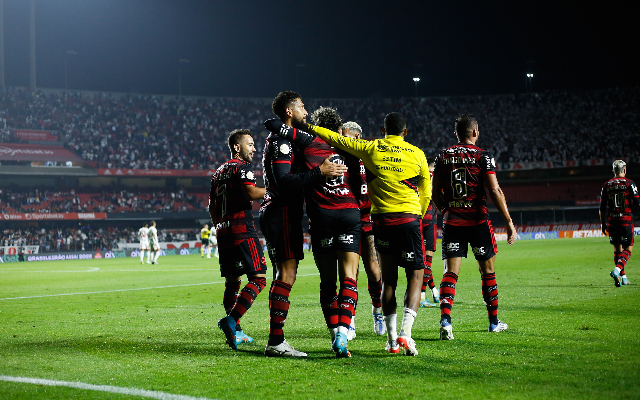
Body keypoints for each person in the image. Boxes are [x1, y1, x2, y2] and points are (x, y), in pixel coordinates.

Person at [266, 112, 430, 356]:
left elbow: (276, 129)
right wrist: (417, 213)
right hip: (364, 216)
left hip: (333, 216)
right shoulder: (366, 151)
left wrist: (301, 128)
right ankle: (359, 330)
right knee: (361, 277)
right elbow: (424, 191)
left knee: (345, 280)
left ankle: (349, 333)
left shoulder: (322, 145)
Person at [267, 107, 362, 358]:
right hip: (350, 213)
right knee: (350, 277)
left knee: (328, 282)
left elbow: (274, 125)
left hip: (321, 216)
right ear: (339, 128)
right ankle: (343, 334)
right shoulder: (352, 147)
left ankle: (334, 333)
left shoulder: (307, 143)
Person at [432, 114, 516, 341]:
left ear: (456, 134)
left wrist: (446, 211)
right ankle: (493, 322)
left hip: (453, 222)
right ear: (475, 132)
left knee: (450, 273)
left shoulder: (442, 156)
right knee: (487, 271)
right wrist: (508, 222)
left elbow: (434, 192)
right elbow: (495, 191)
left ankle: (446, 322)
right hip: (478, 222)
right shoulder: (483, 156)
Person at [212, 129, 268, 350]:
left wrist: (220, 226)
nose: (254, 148)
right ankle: (232, 320)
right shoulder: (241, 168)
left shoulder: (217, 172)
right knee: (259, 278)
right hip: (242, 230)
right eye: (250, 144)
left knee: (233, 283)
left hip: (223, 232)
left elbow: (211, 207)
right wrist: (275, 190)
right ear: (237, 147)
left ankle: (235, 332)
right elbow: (251, 193)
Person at [341, 121, 384, 337]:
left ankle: (378, 310)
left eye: (345, 135)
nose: (342, 139)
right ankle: (350, 321)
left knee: (374, 270)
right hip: (346, 220)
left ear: (356, 137)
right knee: (351, 273)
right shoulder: (340, 156)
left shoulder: (370, 155)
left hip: (367, 219)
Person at [600, 160, 640, 287]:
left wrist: (603, 224)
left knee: (617, 250)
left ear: (613, 171)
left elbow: (601, 207)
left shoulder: (606, 185)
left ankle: (623, 277)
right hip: (626, 221)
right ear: (624, 170)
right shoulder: (630, 183)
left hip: (612, 221)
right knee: (628, 250)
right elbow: (638, 203)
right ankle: (617, 270)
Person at [419, 158, 441, 307]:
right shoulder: (438, 178)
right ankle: (421, 297)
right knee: (428, 260)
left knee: (424, 261)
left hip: (416, 219)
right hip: (430, 219)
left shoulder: (419, 177)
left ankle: (434, 291)